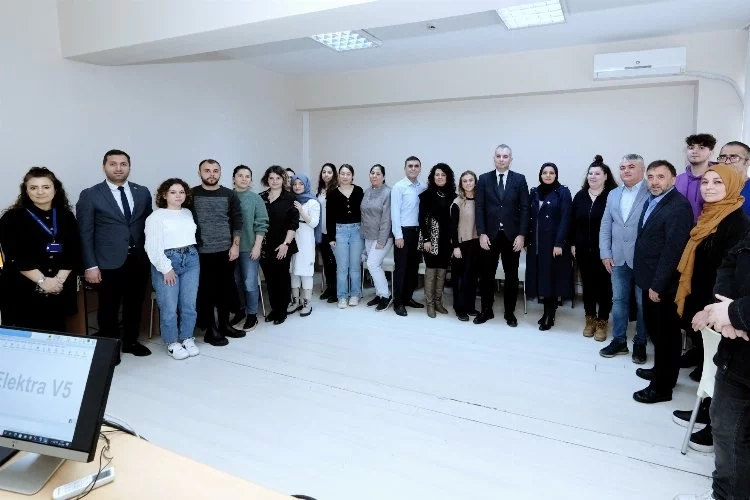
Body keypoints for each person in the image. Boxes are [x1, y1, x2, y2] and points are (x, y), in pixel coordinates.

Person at [670, 165, 749, 453]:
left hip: (720, 310)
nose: (710, 187)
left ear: (733, 185)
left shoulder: (735, 221)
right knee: (708, 363)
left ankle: (713, 425)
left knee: (718, 367)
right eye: (705, 182)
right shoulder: (709, 214)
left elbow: (732, 273)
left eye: (718, 182)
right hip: (705, 300)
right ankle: (704, 412)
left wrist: (713, 309)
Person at [676, 230, 750, 500]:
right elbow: (729, 263)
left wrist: (735, 314)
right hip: (736, 358)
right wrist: (722, 311)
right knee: (726, 433)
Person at [77, 149, 152, 361]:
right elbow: (85, 232)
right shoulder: (90, 194)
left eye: (123, 164)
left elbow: (149, 226)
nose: (118, 168)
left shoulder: (142, 192)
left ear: (129, 167)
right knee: (108, 307)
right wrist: (90, 265)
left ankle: (130, 342)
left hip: (138, 259)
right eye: (113, 164)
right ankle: (109, 349)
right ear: (104, 167)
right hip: (107, 262)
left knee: (134, 304)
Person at [632, 160, 693, 404]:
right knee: (657, 333)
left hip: (663, 285)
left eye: (660, 177)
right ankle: (661, 371)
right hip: (649, 279)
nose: (654, 182)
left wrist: (658, 285)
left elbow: (673, 251)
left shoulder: (679, 207)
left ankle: (662, 388)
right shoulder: (654, 200)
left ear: (673, 179)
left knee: (666, 336)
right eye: (651, 177)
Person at [0, 167, 80, 332]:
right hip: (23, 291)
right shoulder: (12, 218)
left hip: (59, 290)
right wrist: (43, 282)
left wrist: (57, 282)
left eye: (46, 187)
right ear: (26, 191)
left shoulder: (66, 216)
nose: (40, 192)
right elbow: (15, 255)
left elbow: (74, 251)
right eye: (33, 187)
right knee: (25, 338)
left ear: (55, 189)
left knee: (56, 335)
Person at [598, 154, 651, 363]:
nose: (626, 171)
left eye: (631, 167)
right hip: (617, 258)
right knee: (618, 301)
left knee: (642, 303)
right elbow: (606, 225)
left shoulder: (652, 191)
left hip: (643, 260)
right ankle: (619, 340)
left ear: (642, 170)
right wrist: (605, 252)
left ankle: (640, 342)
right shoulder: (613, 194)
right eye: (622, 167)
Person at [144, 179, 201, 360]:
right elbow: (152, 247)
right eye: (173, 192)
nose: (178, 196)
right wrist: (166, 268)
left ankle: (187, 337)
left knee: (189, 304)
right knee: (169, 306)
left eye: (181, 192)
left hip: (191, 258)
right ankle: (172, 342)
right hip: (168, 261)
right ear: (164, 195)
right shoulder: (156, 217)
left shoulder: (187, 213)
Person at [474, 144, 530, 327]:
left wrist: (522, 235)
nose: (501, 159)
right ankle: (486, 310)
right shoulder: (484, 179)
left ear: (510, 159)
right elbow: (479, 208)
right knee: (486, 275)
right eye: (498, 156)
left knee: (511, 276)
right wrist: (481, 233)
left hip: (511, 236)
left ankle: (509, 312)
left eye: (505, 156)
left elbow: (525, 209)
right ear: (494, 158)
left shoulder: (519, 179)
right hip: (489, 236)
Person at [191, 159, 244, 346]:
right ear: (199, 173)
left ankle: (224, 324)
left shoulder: (229, 194)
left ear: (220, 173)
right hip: (201, 252)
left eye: (215, 170)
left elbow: (237, 220)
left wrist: (235, 245)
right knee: (206, 291)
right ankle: (210, 329)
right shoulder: (191, 194)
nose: (211, 174)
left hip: (226, 251)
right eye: (207, 170)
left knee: (225, 290)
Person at [571, 155, 618, 341]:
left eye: (597, 173)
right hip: (583, 250)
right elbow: (572, 223)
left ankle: (602, 322)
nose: (593, 176)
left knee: (605, 288)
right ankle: (590, 319)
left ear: (605, 176)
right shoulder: (580, 196)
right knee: (588, 286)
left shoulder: (613, 196)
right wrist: (573, 244)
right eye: (590, 173)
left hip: (605, 252)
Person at [525, 162, 573, 331]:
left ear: (556, 175)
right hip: (536, 244)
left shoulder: (563, 192)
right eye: (544, 172)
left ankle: (549, 314)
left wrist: (559, 243)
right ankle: (547, 312)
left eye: (551, 172)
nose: (548, 175)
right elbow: (529, 217)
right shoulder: (534, 192)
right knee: (541, 278)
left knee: (551, 279)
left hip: (553, 245)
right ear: (540, 175)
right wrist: (527, 241)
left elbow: (566, 218)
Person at [259, 166, 298, 325]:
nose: (274, 181)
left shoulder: (290, 198)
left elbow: (293, 225)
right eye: (271, 178)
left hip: (283, 245)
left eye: (278, 178)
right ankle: (274, 309)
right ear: (266, 180)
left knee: (282, 278)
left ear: (283, 179)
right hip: (265, 246)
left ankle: (282, 311)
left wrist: (285, 244)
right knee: (270, 279)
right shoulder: (261, 197)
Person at [232, 165, 268, 332]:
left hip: (249, 248)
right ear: (234, 178)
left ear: (251, 180)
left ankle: (252, 315)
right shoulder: (228, 196)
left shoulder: (255, 199)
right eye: (240, 175)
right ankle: (240, 311)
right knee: (236, 282)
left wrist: (257, 246)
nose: (244, 179)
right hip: (230, 249)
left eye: (247, 176)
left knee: (249, 282)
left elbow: (262, 223)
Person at [419, 163, 457, 318]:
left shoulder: (453, 196)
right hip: (431, 240)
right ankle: (429, 304)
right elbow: (421, 219)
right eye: (437, 174)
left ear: (448, 177)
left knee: (442, 271)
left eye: (443, 175)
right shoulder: (426, 195)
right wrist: (426, 239)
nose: (440, 177)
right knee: (431, 271)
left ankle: (438, 302)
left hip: (446, 240)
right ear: (432, 177)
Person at [391, 156, 426, 316]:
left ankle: (408, 298)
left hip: (417, 233)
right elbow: (394, 212)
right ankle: (398, 302)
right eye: (410, 166)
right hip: (403, 233)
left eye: (416, 166)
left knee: (413, 268)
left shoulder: (422, 187)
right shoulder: (399, 187)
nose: (413, 168)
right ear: (405, 168)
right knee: (401, 269)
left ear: (420, 168)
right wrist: (398, 235)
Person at [327, 164, 365, 308]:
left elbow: (364, 214)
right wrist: (331, 238)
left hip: (357, 231)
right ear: (339, 175)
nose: (345, 176)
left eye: (348, 174)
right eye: (342, 174)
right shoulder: (332, 193)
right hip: (339, 232)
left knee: (355, 266)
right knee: (342, 267)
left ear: (352, 176)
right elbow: (329, 217)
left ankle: (355, 294)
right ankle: (342, 296)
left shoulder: (359, 191)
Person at [361, 164, 393, 311]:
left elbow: (387, 219)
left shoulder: (388, 192)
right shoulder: (367, 191)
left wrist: (381, 240)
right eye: (372, 173)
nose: (374, 175)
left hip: (383, 237)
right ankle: (380, 294)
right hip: (368, 235)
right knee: (375, 265)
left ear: (383, 176)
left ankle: (386, 295)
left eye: (378, 173)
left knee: (372, 264)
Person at [287, 174, 320, 317]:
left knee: (306, 271)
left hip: (306, 238)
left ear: (306, 185)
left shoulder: (312, 202)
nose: (297, 186)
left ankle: (307, 303)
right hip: (292, 236)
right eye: (295, 184)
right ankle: (295, 301)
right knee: (293, 270)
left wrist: (301, 210)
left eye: (301, 184)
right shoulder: (290, 199)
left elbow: (314, 223)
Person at [451, 171, 480, 322]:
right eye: (465, 181)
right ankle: (459, 308)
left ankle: (470, 306)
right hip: (461, 245)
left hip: (476, 244)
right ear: (461, 184)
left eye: (471, 180)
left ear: (475, 182)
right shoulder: (457, 203)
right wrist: (455, 247)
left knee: (472, 277)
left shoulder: (480, 201)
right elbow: (452, 227)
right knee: (460, 279)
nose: (468, 183)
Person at [676, 133, 717, 223]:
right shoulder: (677, 180)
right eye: (691, 148)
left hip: (708, 229)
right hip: (680, 228)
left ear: (711, 152)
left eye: (701, 148)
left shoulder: (718, 180)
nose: (694, 151)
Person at [316, 163, 338, 302]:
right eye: (324, 172)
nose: (326, 174)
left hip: (333, 233)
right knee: (327, 262)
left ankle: (336, 291)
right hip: (321, 232)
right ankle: (330, 288)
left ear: (334, 174)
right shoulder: (319, 190)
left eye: (329, 172)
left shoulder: (336, 190)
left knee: (334, 262)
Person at [715, 141, 750, 215]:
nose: (727, 162)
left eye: (733, 157)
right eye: (723, 157)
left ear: (748, 162)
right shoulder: (712, 188)